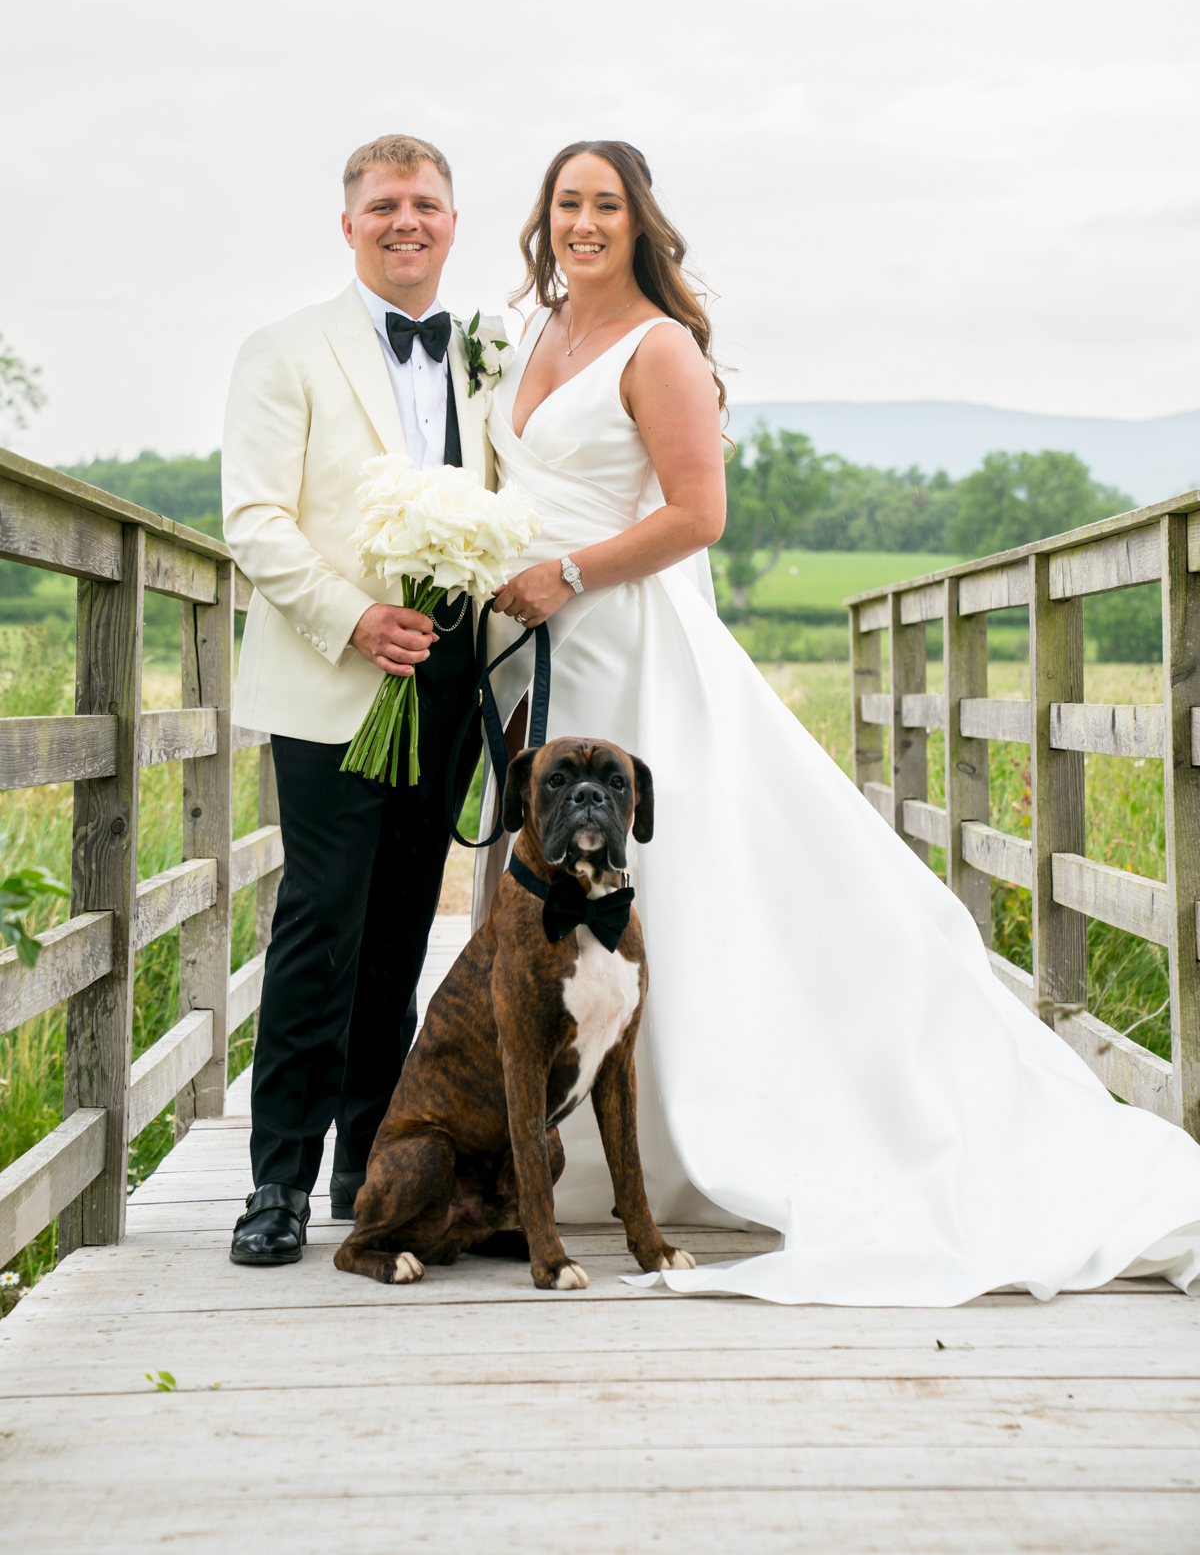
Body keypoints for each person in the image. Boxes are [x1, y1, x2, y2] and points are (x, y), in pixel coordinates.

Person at [476, 138, 1200, 1304]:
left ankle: (692, 1133)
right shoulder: (526, 336)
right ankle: (561, 1137)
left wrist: (566, 569)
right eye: (567, 203)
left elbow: (699, 513)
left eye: (607, 204)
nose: (584, 223)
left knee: (685, 882)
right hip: (540, 657)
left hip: (624, 640)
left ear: (643, 220)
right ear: (543, 218)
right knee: (547, 886)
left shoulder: (658, 348)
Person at [221, 134, 492, 1265]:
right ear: (349, 225)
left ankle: (367, 1164)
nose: (406, 222)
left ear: (451, 221)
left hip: (451, 689)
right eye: (384, 205)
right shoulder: (285, 351)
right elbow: (254, 521)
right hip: (331, 684)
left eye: (426, 204)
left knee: (399, 932)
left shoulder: (492, 359)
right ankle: (275, 1180)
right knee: (321, 924)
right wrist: (353, 617)